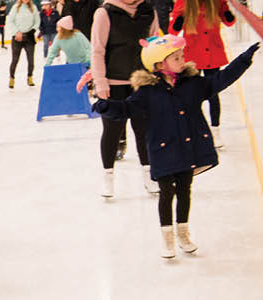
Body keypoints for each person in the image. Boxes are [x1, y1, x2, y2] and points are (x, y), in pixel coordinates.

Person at [94, 37, 258, 257]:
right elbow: (125, 109)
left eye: (182, 56)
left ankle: (183, 233)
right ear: (160, 64)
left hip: (187, 149)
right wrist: (106, 106)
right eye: (176, 58)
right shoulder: (147, 92)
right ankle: (167, 238)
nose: (183, 61)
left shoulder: (193, 84)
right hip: (163, 151)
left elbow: (221, 80)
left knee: (184, 191)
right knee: (166, 193)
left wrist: (244, 59)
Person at [91, 0, 158, 198]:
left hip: (142, 82)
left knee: (144, 132)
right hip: (113, 84)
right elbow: (97, 50)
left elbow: (155, 45)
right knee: (112, 132)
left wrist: (158, 77)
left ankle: (149, 175)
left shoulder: (148, 11)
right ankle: (108, 178)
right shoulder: (104, 13)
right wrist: (100, 82)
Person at [169, 0, 238, 147]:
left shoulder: (217, 1)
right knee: (191, 94)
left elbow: (229, 22)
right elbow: (173, 31)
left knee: (213, 93)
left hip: (212, 52)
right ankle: (192, 130)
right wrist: (178, 22)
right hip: (193, 55)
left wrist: (228, 16)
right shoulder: (183, 2)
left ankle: (215, 130)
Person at [6, 0, 41, 87]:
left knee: (31, 60)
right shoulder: (16, 7)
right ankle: (11, 78)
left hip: (29, 37)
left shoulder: (33, 8)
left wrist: (32, 30)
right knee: (15, 60)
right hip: (17, 38)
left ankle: (30, 77)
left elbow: (37, 21)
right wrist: (16, 32)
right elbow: (10, 21)